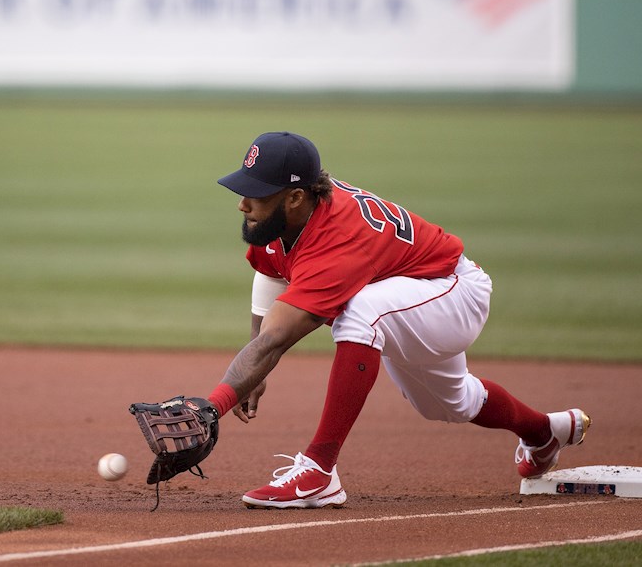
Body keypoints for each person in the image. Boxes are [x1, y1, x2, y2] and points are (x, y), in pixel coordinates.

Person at [204, 132, 589, 509]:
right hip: (409, 298)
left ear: (295, 197)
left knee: (360, 315)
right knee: (450, 403)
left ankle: (320, 470)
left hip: (453, 291)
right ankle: (545, 432)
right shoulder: (289, 216)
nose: (243, 204)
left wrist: (212, 406)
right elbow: (271, 268)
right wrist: (255, 371)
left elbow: (276, 339)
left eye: (256, 193)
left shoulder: (337, 239)